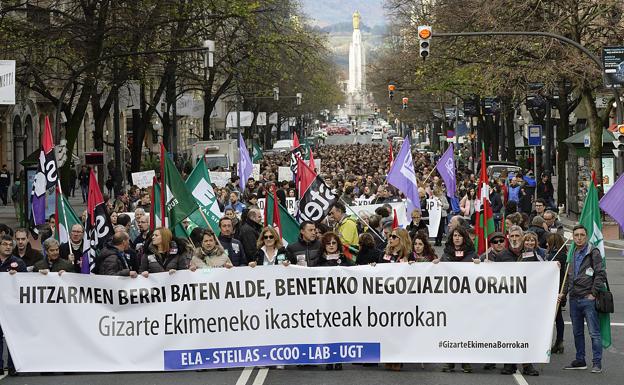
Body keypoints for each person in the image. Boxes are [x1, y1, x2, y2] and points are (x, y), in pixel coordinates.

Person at [560, 225, 606, 373]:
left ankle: (597, 363)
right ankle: (580, 360)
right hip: (574, 299)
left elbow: (600, 274)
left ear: (586, 236)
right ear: (573, 237)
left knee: (594, 333)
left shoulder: (593, 252)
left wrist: (593, 293)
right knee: (577, 332)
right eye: (576, 235)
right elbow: (568, 276)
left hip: (588, 299)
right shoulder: (572, 252)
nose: (579, 238)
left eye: (582, 235)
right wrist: (564, 293)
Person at [440, 227, 478, 374]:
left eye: (459, 236)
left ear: (464, 238)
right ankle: (450, 361)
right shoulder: (446, 254)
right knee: (451, 330)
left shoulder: (472, 255)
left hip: (467, 300)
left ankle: (465, 361)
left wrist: (480, 264)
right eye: (454, 235)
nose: (456, 238)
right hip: (450, 299)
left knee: (465, 330)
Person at [0, 234, 26, 376]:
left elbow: (25, 284)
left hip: (11, 306)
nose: (8, 247)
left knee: (11, 337)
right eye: (5, 244)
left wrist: (17, 277)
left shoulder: (18, 263)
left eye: (10, 245)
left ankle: (12, 366)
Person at [547, 233, 568, 355]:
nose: (546, 244)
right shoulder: (563, 254)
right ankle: (559, 341)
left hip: (554, 290)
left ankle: (558, 341)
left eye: (548, 242)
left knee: (555, 316)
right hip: (559, 289)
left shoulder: (555, 255)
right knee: (558, 316)